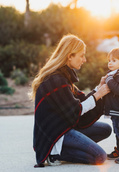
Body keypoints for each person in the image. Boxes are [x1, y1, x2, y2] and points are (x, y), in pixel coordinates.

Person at [29, 34, 112, 167]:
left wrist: (98, 89)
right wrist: (97, 95)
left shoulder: (63, 76)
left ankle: (68, 149)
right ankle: (54, 153)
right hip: (55, 134)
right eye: (81, 55)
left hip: (64, 126)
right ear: (69, 56)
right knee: (100, 157)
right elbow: (76, 110)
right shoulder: (56, 80)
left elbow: (81, 100)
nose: (84, 60)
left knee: (105, 129)